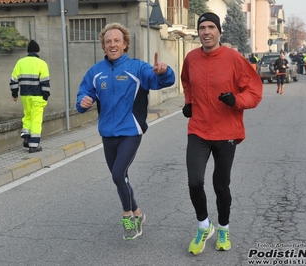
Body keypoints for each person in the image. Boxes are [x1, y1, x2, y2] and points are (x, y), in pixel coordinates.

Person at [76, 22, 175, 240]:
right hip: (107, 134)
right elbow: (85, 93)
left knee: (118, 174)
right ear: (103, 46)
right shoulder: (95, 72)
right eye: (108, 41)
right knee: (122, 178)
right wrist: (82, 102)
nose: (112, 45)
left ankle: (128, 215)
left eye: (116, 41)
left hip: (131, 131)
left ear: (125, 44)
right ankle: (139, 212)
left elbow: (160, 79)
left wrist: (164, 72)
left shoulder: (138, 68)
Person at [180, 12, 262, 255]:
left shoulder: (234, 58)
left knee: (220, 184)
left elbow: (255, 92)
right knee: (195, 181)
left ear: (219, 31)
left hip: (226, 131)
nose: (206, 32)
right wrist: (189, 102)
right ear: (198, 32)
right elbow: (187, 82)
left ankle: (224, 227)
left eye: (211, 27)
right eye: (202, 28)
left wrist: (236, 100)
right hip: (198, 130)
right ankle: (204, 225)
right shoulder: (191, 58)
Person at [9, 40, 50, 153]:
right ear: (38, 51)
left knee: (27, 116)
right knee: (36, 120)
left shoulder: (20, 63)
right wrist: (45, 96)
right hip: (37, 97)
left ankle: (26, 138)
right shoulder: (42, 63)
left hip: (24, 95)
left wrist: (14, 94)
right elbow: (45, 83)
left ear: (27, 51)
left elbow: (13, 80)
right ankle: (34, 145)